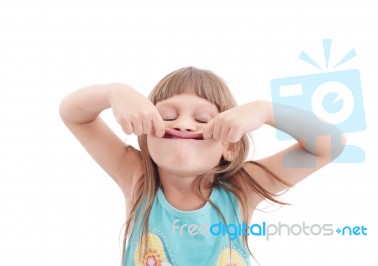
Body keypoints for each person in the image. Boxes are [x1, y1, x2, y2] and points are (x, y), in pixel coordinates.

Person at [59, 66, 344, 266]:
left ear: (230, 147)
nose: (183, 124)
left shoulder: (242, 189)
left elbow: (330, 144)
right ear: (146, 136)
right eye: (167, 116)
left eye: (205, 120)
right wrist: (114, 92)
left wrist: (265, 110)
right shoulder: (137, 177)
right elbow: (73, 114)